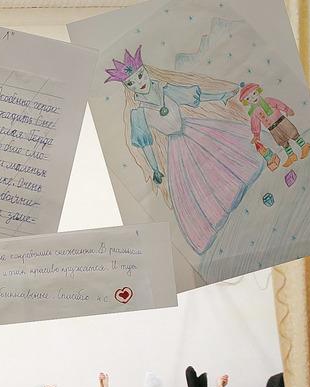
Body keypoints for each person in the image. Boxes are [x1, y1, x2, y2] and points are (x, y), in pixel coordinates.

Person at [105, 45, 258, 254]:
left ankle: (236, 191)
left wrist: (220, 96)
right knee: (196, 182)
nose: (139, 83)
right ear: (127, 87)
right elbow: (146, 144)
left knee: (219, 159)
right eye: (131, 82)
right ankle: (219, 210)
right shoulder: (138, 113)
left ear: (145, 71)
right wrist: (155, 169)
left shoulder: (166, 90)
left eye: (140, 75)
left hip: (194, 130)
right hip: (176, 147)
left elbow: (194, 97)